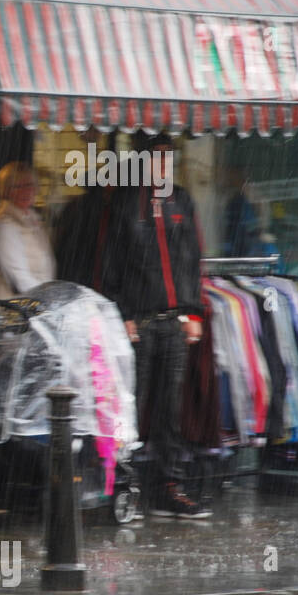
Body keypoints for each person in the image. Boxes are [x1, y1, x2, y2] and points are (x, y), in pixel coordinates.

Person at [101, 134, 210, 519]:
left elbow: (192, 261)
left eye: (168, 157)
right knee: (131, 406)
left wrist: (193, 313)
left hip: (174, 323)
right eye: (157, 157)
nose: (164, 165)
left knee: (169, 410)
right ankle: (120, 486)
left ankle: (167, 486)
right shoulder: (126, 203)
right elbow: (110, 266)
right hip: (140, 323)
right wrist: (124, 314)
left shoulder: (181, 199)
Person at [0, 161, 55, 300]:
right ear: (6, 191)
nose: (26, 191)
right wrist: (49, 299)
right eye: (18, 186)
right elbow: (19, 278)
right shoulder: (3, 225)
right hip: (10, 311)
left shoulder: (33, 220)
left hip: (33, 309)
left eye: (30, 185)